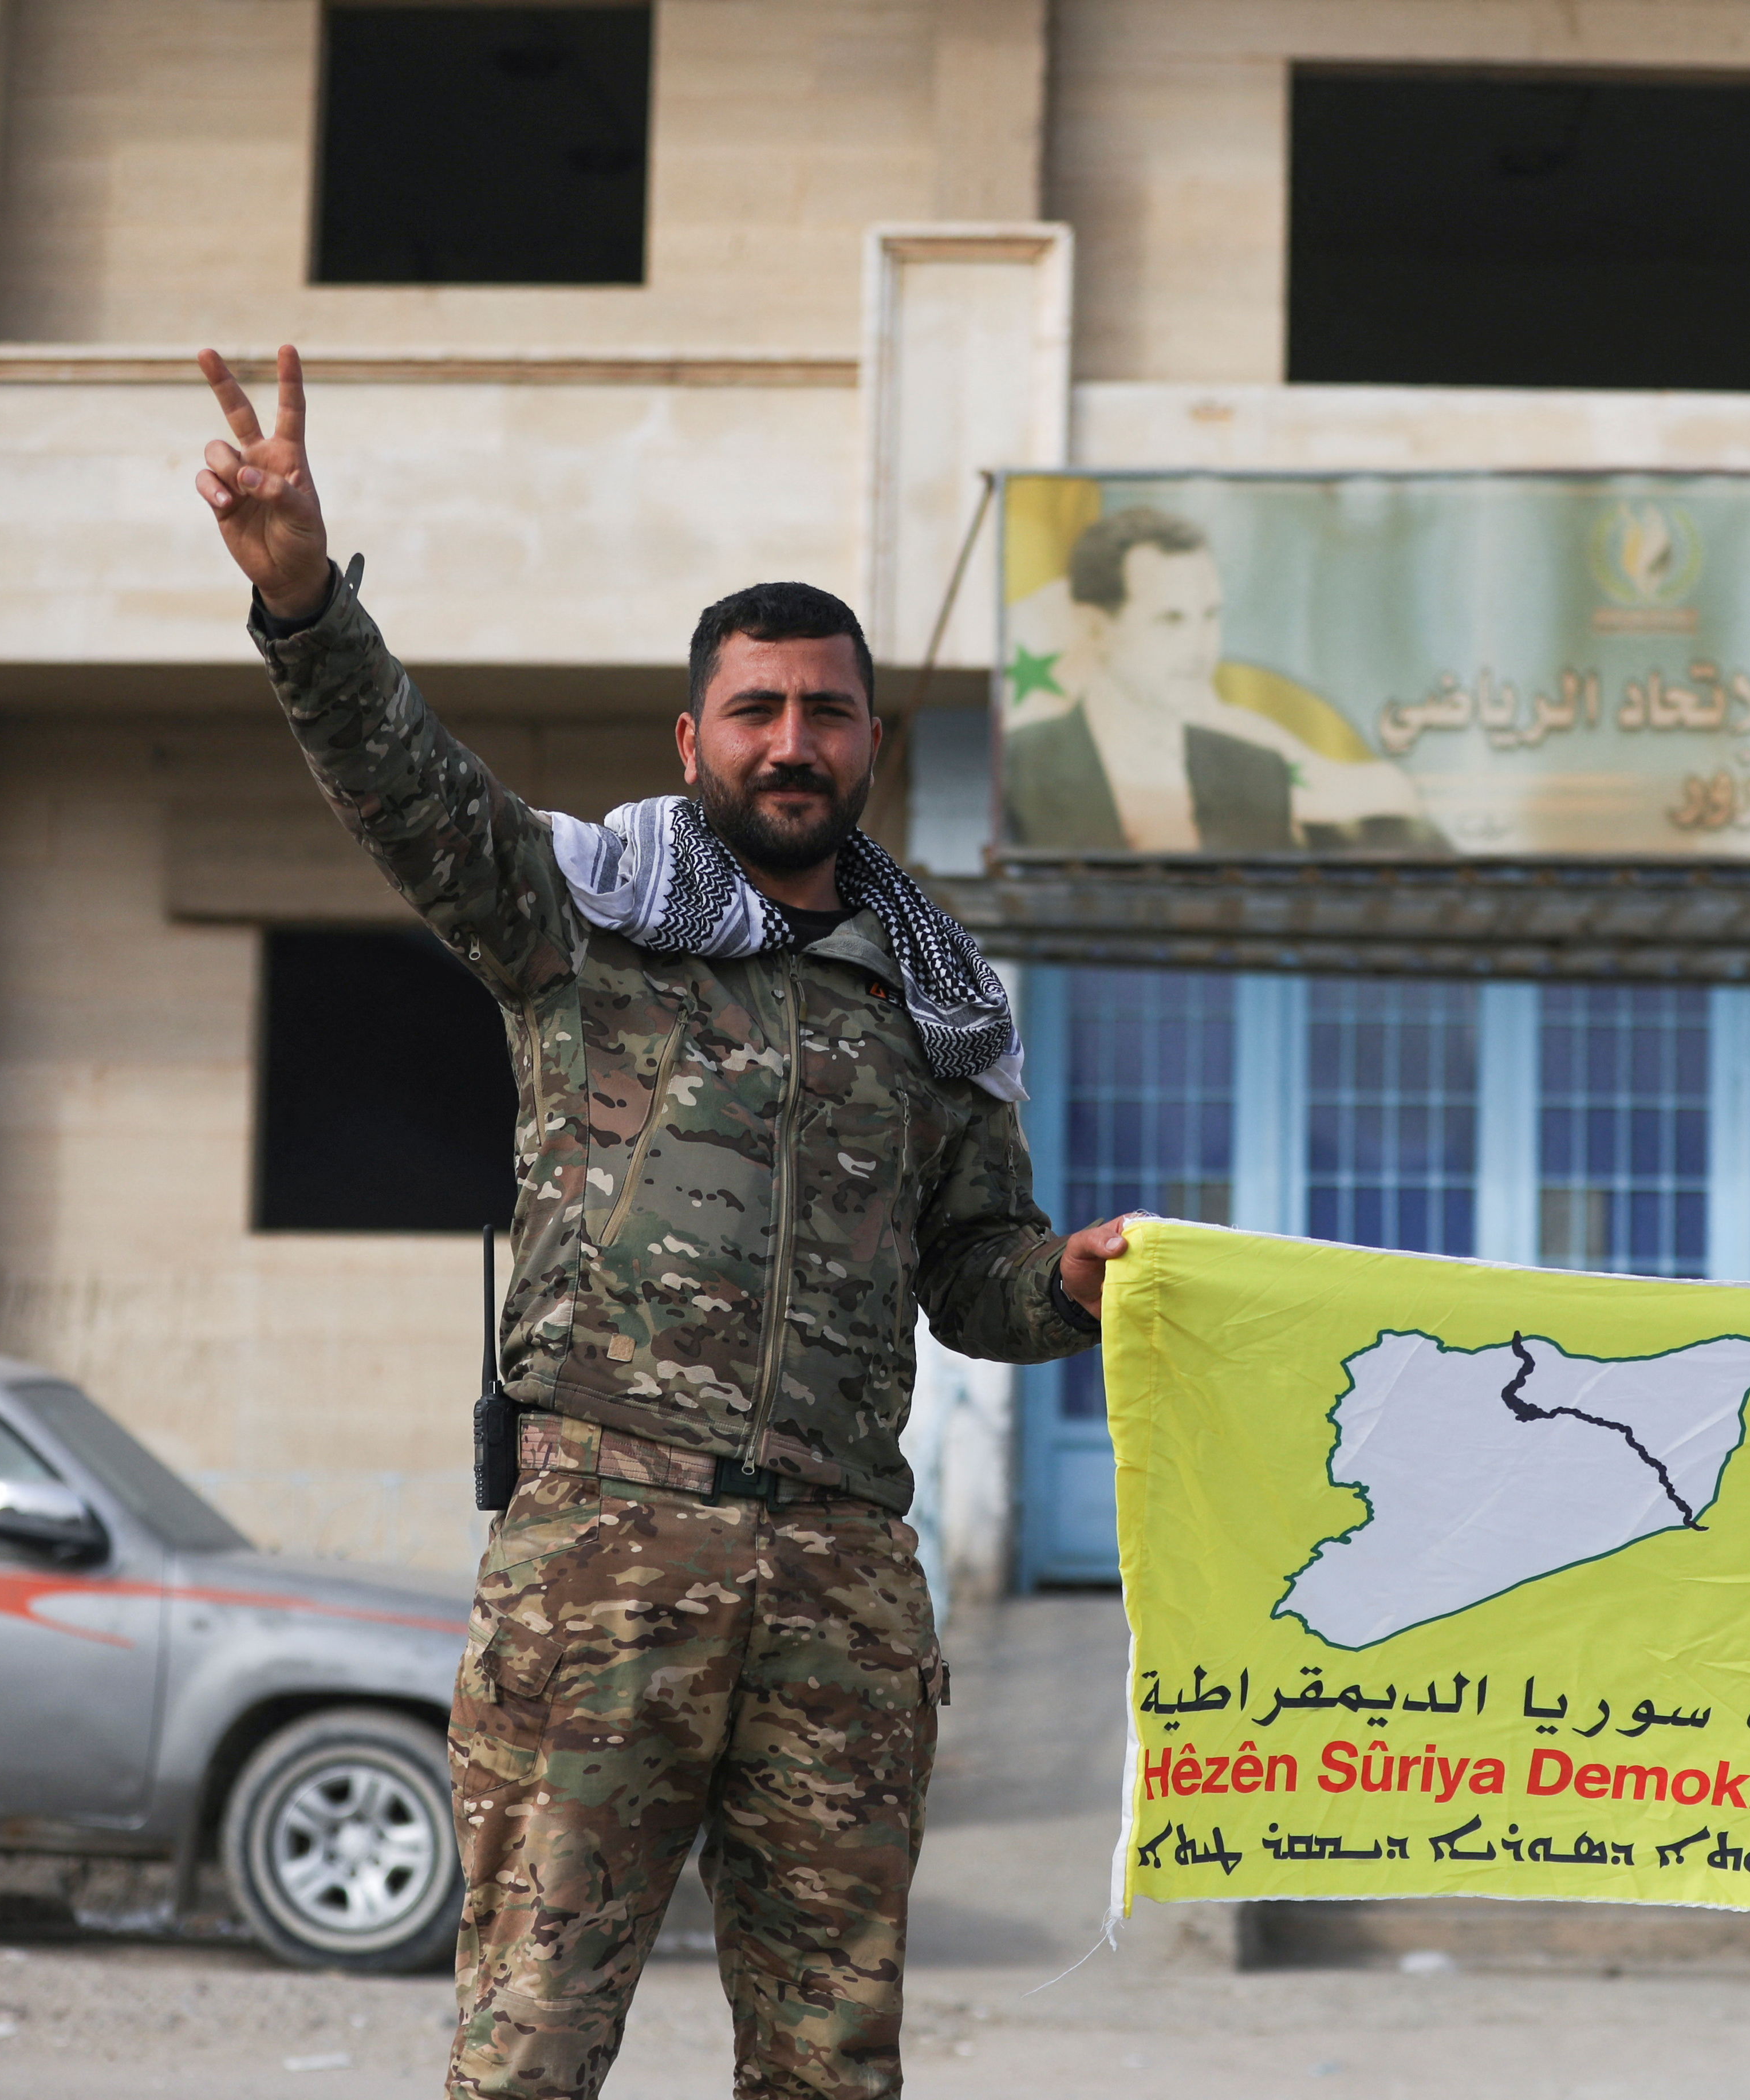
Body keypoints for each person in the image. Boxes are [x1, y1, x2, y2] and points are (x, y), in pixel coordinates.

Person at [192, 344, 1132, 2100]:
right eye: (758, 709)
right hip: (603, 1560)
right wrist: (306, 598)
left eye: (827, 711)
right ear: (693, 737)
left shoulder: (935, 1002)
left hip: (844, 1587)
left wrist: (1066, 1281)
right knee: (531, 2049)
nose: (794, 741)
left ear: (872, 741)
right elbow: (406, 785)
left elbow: (972, 1276)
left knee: (832, 2064)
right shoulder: (580, 921)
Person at [1006, 505, 1438, 851]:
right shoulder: (1022, 765)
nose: (1200, 648)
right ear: (1095, 628)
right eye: (1170, 620)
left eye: (1209, 616)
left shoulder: (1256, 772)